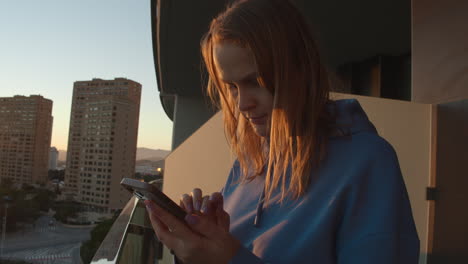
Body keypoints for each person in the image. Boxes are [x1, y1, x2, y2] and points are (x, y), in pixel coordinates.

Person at [144, 0, 420, 263]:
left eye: (255, 81)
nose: (242, 104)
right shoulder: (247, 164)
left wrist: (228, 259)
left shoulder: (369, 162)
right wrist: (202, 246)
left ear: (300, 69)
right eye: (231, 87)